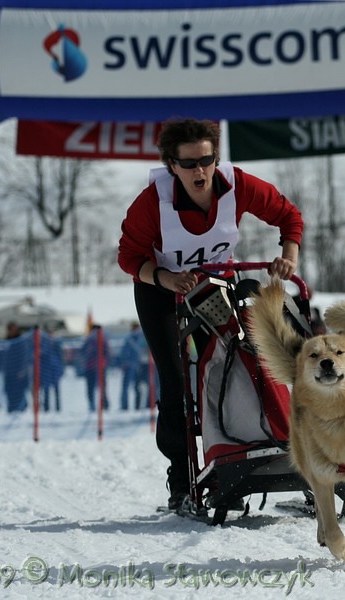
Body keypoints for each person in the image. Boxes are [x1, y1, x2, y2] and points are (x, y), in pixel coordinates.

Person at [117, 117, 304, 510]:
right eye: (188, 164)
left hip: (213, 287)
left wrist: (288, 257)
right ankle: (181, 482)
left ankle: (235, 459)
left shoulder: (238, 185)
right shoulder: (152, 202)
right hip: (161, 292)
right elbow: (129, 257)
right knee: (174, 383)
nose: (199, 170)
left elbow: (290, 217)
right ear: (172, 165)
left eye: (206, 160)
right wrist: (164, 278)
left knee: (231, 363)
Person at [118, 323, 147, 411]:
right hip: (131, 365)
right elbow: (123, 352)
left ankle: (135, 405)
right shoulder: (130, 338)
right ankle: (125, 406)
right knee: (128, 387)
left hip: (137, 366)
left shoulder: (139, 338)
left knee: (136, 387)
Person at [2, 322, 29, 413]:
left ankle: (21, 407)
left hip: (18, 372)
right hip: (9, 371)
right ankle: (11, 408)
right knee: (9, 390)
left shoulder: (21, 341)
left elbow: (24, 356)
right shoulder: (7, 340)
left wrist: (22, 370)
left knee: (18, 391)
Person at [82, 324, 109, 412]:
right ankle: (104, 405)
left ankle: (94, 405)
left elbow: (83, 351)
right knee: (102, 387)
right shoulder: (103, 339)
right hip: (99, 366)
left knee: (92, 387)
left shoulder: (89, 339)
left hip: (92, 366)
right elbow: (107, 352)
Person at [40, 327, 64, 412]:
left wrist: (61, 369)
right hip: (46, 370)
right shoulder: (43, 344)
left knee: (56, 389)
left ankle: (58, 408)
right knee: (46, 390)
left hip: (55, 369)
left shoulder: (56, 344)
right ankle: (46, 408)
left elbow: (60, 357)